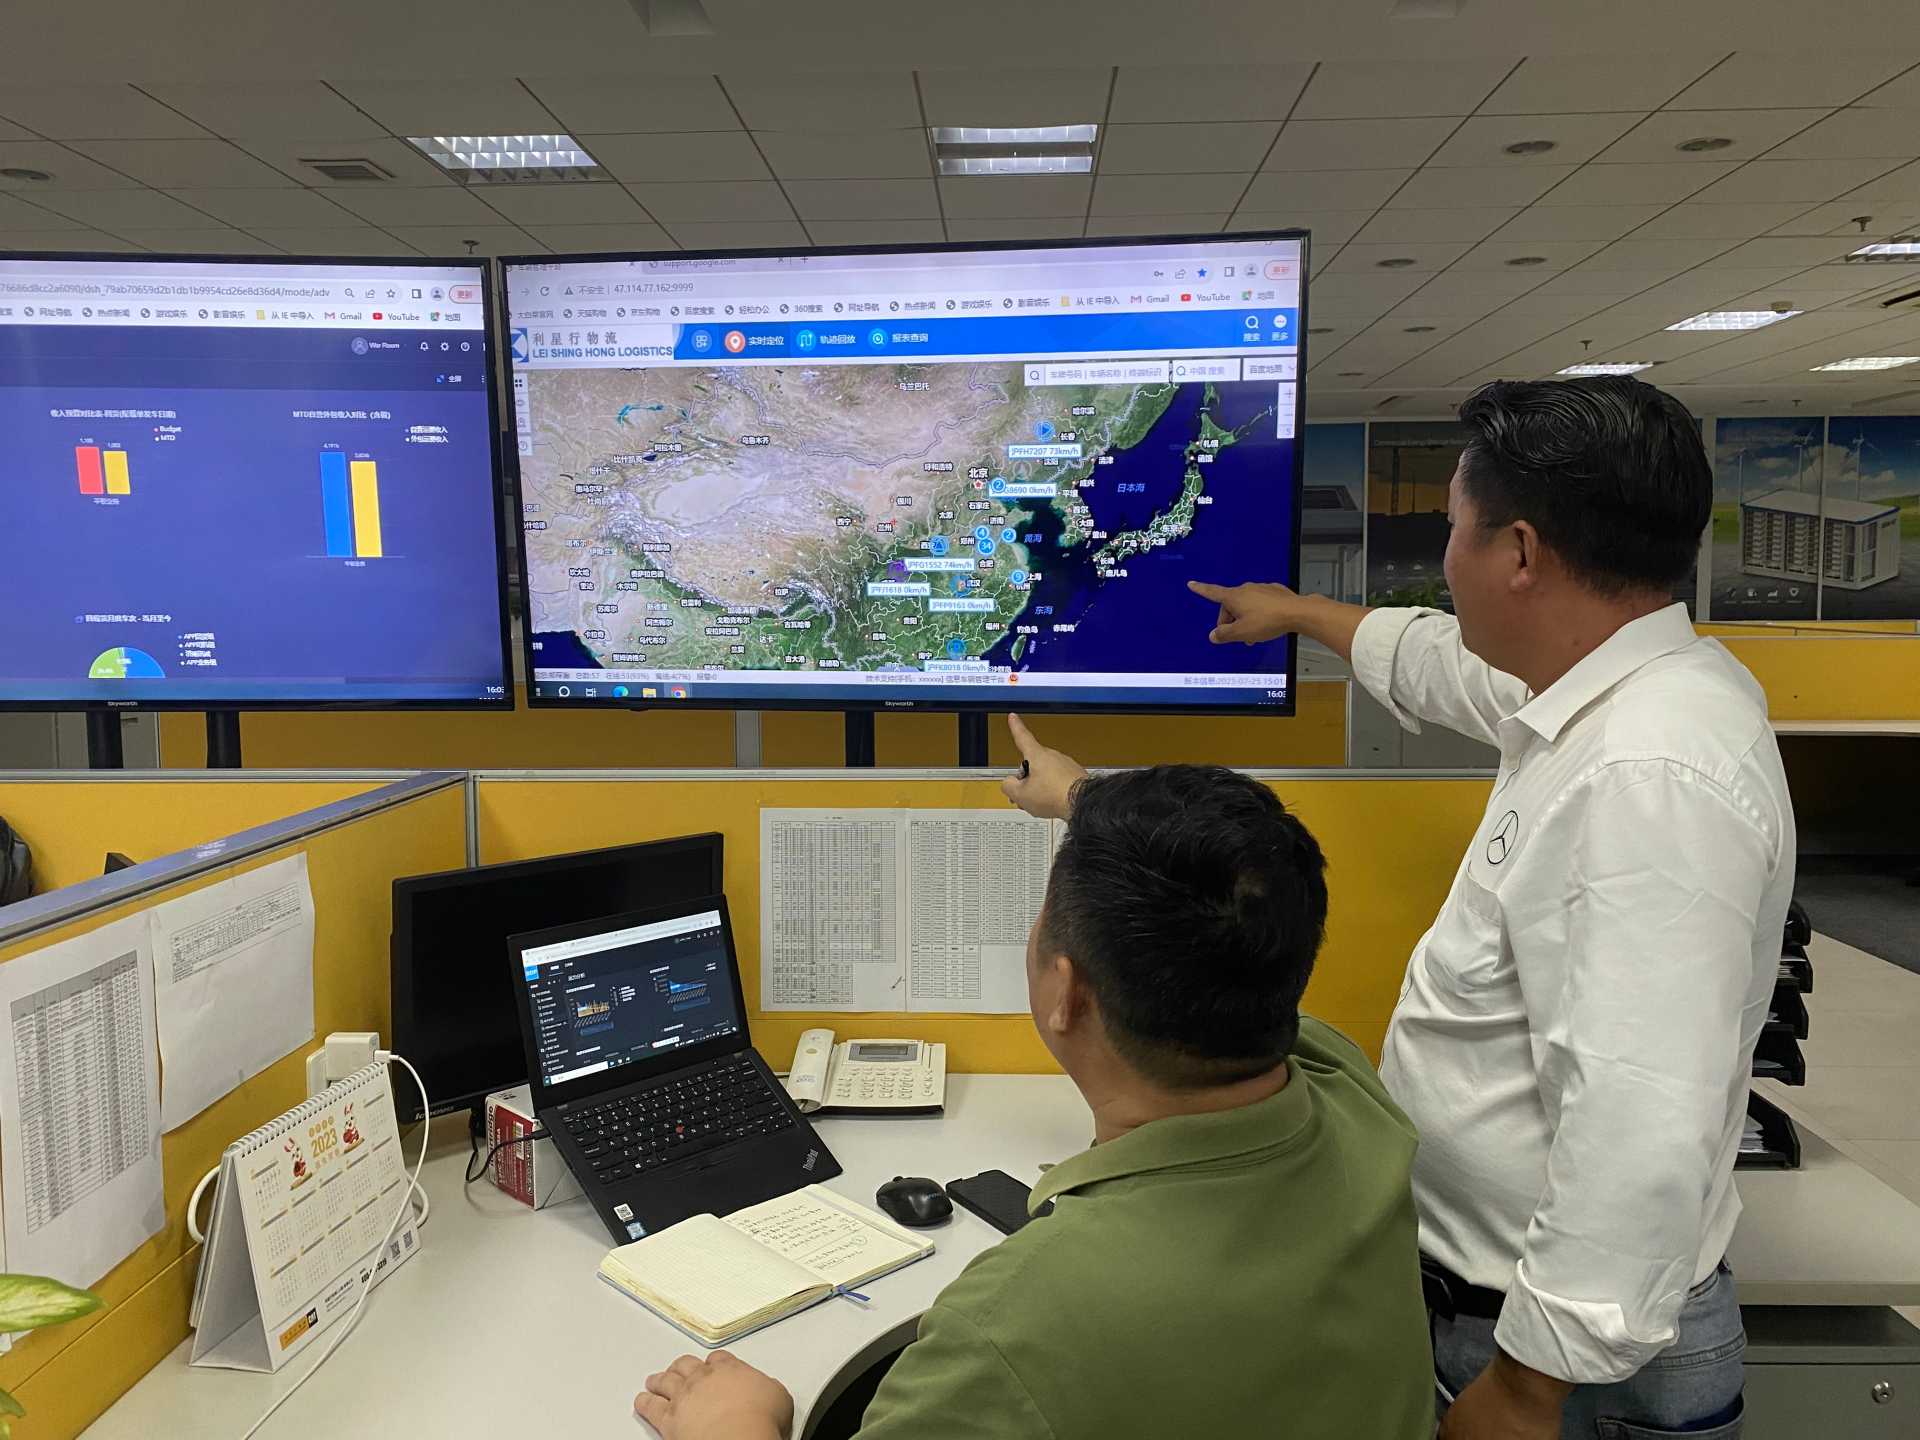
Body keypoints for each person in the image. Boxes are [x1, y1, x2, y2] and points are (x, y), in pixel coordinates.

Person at [1007, 375, 1791, 1439]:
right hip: (1498, 1316)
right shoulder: (1619, 691)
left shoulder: (1647, 774)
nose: (1445, 559)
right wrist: (1299, 614)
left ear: (1519, 554)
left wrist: (1527, 1390)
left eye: (1454, 528)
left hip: (1554, 1366)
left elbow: (1642, 1125)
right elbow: (1444, 668)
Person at [634, 765, 1436, 1440]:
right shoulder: (1349, 1088)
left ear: (1065, 993)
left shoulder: (1013, 1325)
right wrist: (1084, 800)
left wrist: (732, 1425)